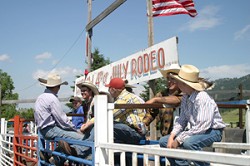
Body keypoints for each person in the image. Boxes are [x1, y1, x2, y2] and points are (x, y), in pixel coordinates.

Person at [159, 65, 226, 166]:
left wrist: (178, 139)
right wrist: (172, 136)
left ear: (184, 84)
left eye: (178, 81)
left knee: (189, 143)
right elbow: (182, 120)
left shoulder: (202, 98)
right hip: (199, 130)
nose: (176, 83)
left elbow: (202, 126)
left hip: (213, 131)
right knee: (163, 141)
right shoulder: (186, 97)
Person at [34, 73, 87, 164]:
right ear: (56, 86)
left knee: (71, 138)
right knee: (82, 139)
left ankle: (54, 155)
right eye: (59, 86)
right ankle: (58, 155)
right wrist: (74, 129)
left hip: (43, 130)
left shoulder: (40, 97)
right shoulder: (52, 99)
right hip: (51, 129)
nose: (59, 88)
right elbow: (62, 120)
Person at [143, 64, 182, 136]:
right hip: (166, 135)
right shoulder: (161, 94)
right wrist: (144, 124)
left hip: (182, 135)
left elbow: (177, 100)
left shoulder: (185, 93)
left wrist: (155, 99)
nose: (169, 81)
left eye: (173, 78)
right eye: (168, 78)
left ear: (180, 79)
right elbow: (152, 112)